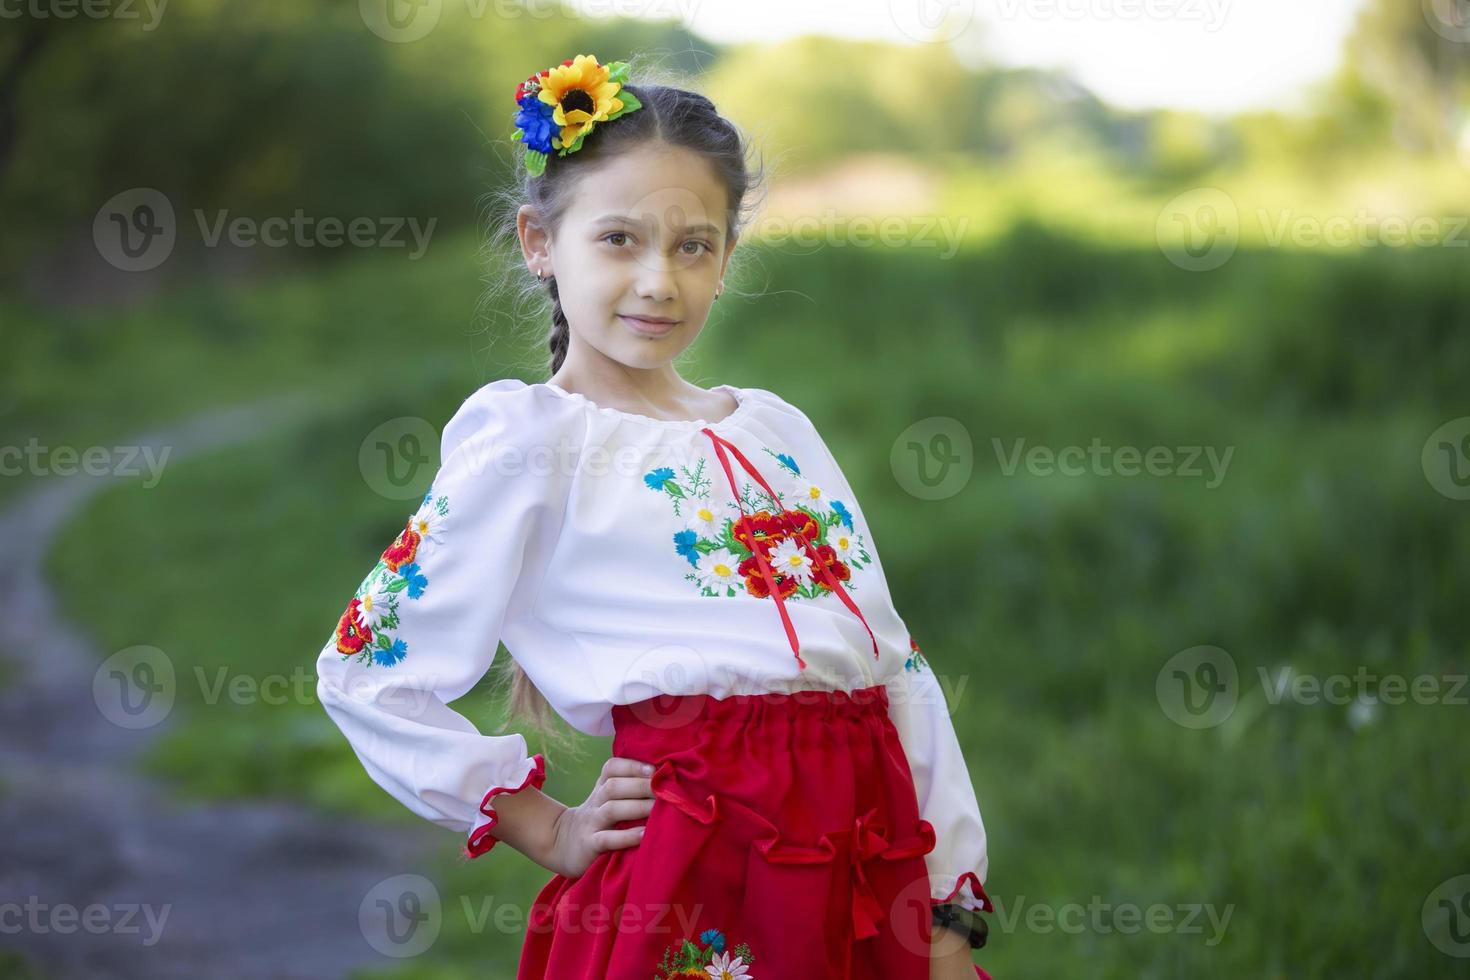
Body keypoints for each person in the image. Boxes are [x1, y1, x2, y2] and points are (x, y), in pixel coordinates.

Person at [314, 53, 994, 979]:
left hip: (868, 871)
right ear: (539, 242)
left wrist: (951, 900)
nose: (659, 281)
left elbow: (892, 662)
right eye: (619, 240)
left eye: (693, 246)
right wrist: (545, 823)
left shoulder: (776, 429)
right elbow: (367, 671)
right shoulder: (531, 441)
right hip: (694, 874)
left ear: (726, 259)